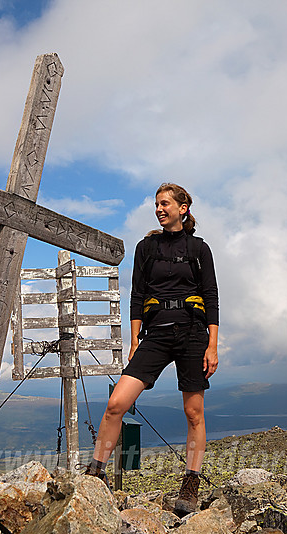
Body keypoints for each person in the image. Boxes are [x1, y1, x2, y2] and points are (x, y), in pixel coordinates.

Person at [84, 182, 219, 516]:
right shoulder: (146, 248)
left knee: (193, 413)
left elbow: (211, 296)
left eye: (165, 204)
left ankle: (191, 484)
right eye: (157, 205)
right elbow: (137, 295)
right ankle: (95, 474)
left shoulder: (199, 249)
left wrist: (212, 345)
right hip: (154, 334)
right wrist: (134, 341)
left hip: (192, 333)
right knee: (117, 403)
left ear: (182, 208)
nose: (159, 209)